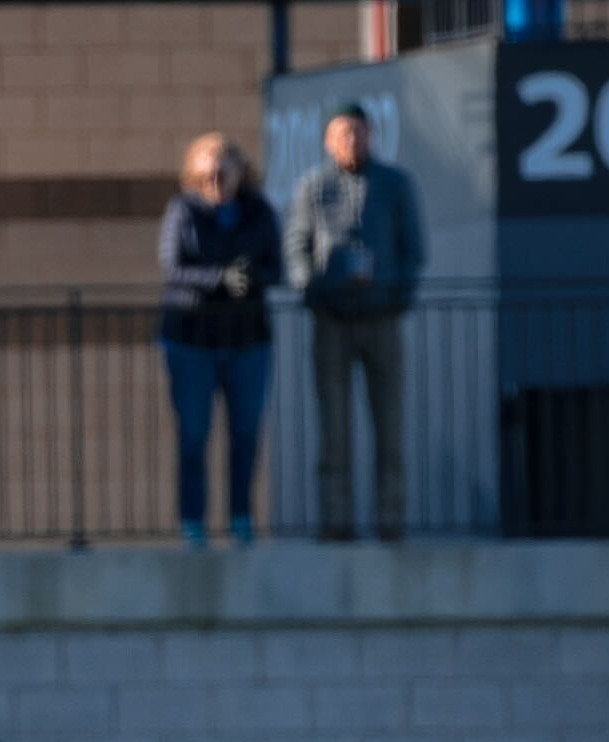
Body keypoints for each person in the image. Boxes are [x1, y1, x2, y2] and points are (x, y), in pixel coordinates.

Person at [286, 100, 425, 543]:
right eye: (342, 133)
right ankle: (336, 521)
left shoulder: (394, 184)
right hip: (332, 321)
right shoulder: (313, 187)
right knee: (334, 430)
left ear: (371, 136)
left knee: (390, 426)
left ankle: (390, 519)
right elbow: (297, 248)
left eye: (358, 132)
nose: (351, 141)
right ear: (328, 141)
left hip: (382, 319)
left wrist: (395, 295)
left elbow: (412, 249)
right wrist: (311, 290)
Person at [158, 133, 284, 549]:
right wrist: (218, 279)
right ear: (194, 172)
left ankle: (241, 520)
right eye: (208, 168)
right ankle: (192, 522)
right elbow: (173, 268)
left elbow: (276, 266)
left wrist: (247, 279)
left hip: (247, 340)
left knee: (245, 435)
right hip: (192, 342)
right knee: (194, 436)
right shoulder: (183, 212)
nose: (216, 176)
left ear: (238, 171)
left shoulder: (258, 211)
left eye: (223, 167)